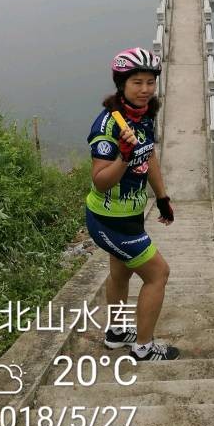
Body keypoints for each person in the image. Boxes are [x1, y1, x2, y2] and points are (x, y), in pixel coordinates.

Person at [85, 48, 180, 361]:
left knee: (121, 273)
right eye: (137, 82)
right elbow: (100, 180)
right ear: (121, 84)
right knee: (158, 275)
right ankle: (143, 346)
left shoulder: (143, 115)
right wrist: (124, 157)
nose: (145, 89)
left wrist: (162, 197)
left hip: (132, 213)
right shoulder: (108, 127)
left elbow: (149, 154)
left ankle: (115, 333)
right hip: (110, 220)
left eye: (150, 82)